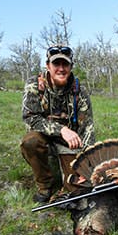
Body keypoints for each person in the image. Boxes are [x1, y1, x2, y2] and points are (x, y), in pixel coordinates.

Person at [20, 45, 95, 203]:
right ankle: (45, 184)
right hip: (44, 137)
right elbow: (31, 118)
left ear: (70, 67)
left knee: (78, 190)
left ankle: (66, 181)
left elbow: (88, 128)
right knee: (30, 142)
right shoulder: (34, 85)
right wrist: (62, 130)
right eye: (56, 64)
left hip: (69, 143)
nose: (61, 68)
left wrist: (86, 163)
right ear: (48, 66)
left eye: (65, 64)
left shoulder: (79, 91)